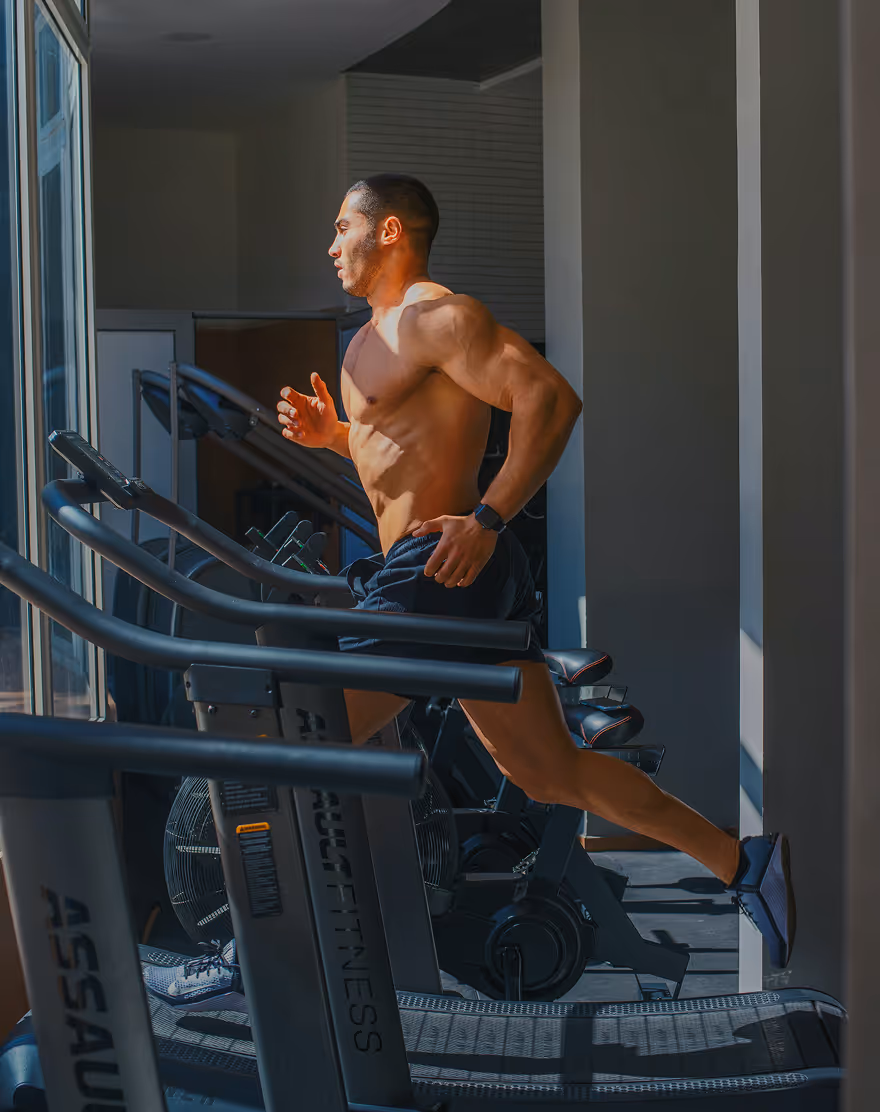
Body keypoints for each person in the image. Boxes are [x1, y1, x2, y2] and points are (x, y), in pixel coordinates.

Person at [143, 174, 793, 1010]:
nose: (330, 244)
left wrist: (486, 517)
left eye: (343, 227)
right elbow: (402, 455)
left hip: (438, 580)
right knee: (554, 772)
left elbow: (549, 400)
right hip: (430, 585)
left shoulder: (437, 317)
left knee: (289, 743)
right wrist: (335, 437)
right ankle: (747, 865)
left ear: (390, 233)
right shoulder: (368, 342)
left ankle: (247, 952)